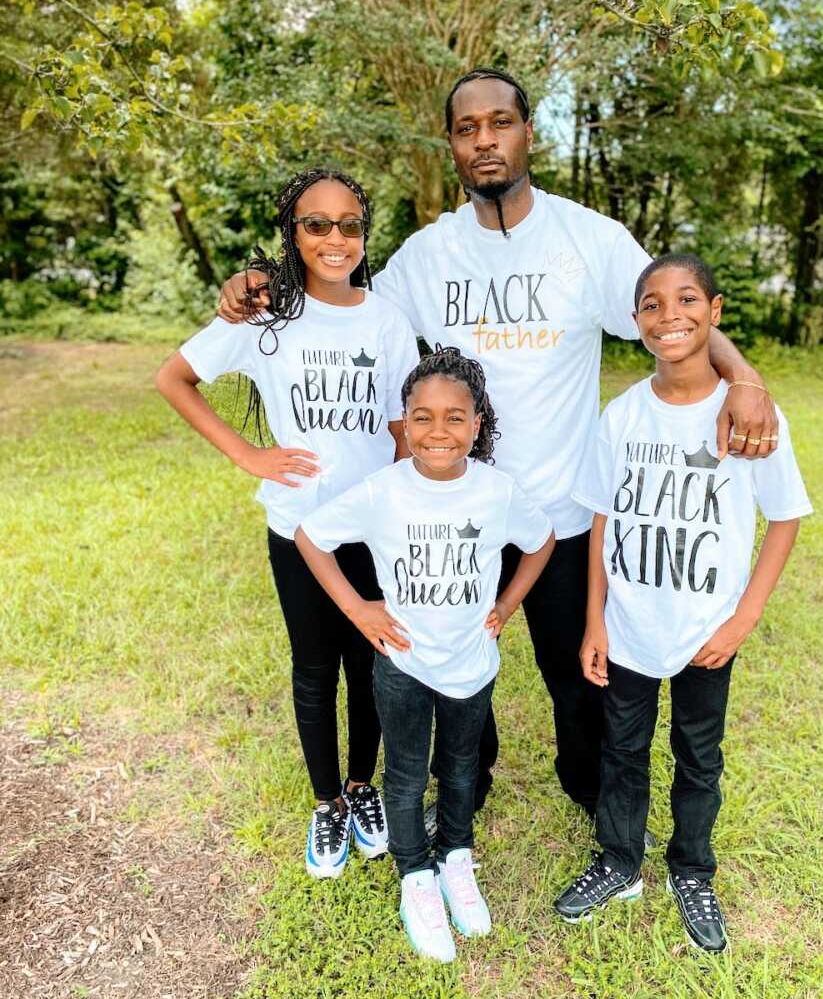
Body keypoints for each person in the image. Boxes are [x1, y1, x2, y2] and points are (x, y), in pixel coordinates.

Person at [217, 68, 779, 826]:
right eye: (466, 127)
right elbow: (339, 294)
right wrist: (263, 278)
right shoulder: (427, 254)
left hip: (562, 511)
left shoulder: (589, 238)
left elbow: (672, 312)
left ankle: (590, 790)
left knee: (577, 675)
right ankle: (465, 783)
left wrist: (743, 377)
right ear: (452, 144)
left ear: (526, 132)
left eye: (501, 122)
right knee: (452, 657)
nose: (485, 139)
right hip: (458, 508)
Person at [156, 168, 420, 879]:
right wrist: (248, 453)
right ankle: (327, 800)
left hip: (372, 528)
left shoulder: (387, 318)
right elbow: (173, 378)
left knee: (373, 660)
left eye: (350, 224)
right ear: (294, 233)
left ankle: (364, 788)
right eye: (317, 224)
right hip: (299, 522)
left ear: (365, 234)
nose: (336, 238)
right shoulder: (266, 316)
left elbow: (400, 427)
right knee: (315, 666)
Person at [553, 253, 811, 953]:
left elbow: (784, 515)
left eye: (687, 299)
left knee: (699, 755)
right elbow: (602, 517)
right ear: (636, 323)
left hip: (706, 632)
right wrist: (594, 618)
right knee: (622, 750)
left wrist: (745, 615)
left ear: (715, 312)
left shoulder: (748, 414)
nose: (671, 316)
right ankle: (619, 859)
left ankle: (692, 869)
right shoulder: (622, 414)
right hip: (630, 625)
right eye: (653, 305)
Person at [296, 347, 554, 962]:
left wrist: (509, 603)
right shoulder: (382, 490)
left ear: (478, 423)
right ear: (404, 422)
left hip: (471, 665)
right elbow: (310, 537)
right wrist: (359, 609)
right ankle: (416, 875)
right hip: (404, 665)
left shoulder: (497, 491)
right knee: (407, 776)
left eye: (455, 418)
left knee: (460, 770)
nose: (438, 431)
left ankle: (456, 857)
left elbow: (541, 543)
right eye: (423, 417)